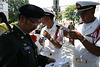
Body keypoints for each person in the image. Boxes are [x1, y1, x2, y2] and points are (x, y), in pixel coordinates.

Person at [64, 1, 100, 67]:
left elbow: (98, 52)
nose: (81, 16)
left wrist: (81, 38)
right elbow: (76, 45)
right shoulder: (80, 26)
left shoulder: (98, 27)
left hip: (89, 64)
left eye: (84, 13)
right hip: (75, 63)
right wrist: (70, 36)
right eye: (80, 14)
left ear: (93, 11)